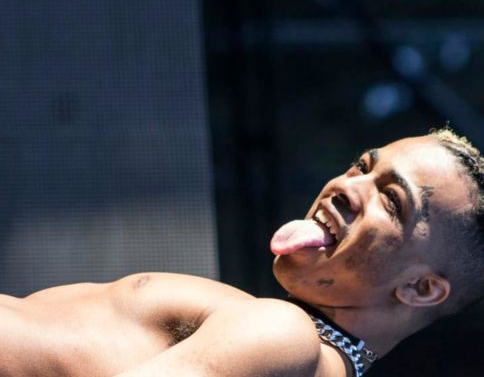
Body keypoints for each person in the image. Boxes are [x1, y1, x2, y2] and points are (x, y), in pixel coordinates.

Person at [2, 128, 483, 377]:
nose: (347, 185)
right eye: (362, 166)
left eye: (392, 201)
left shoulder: (285, 336)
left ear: (422, 288)